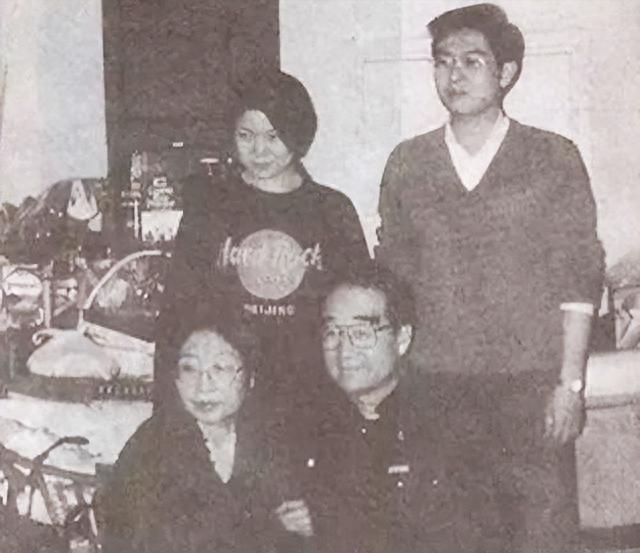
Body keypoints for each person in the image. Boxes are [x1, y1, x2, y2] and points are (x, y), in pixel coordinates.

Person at [376, 4, 605, 551]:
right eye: (443, 61)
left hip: (529, 390)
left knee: (539, 538)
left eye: (471, 61)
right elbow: (392, 285)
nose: (453, 75)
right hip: (435, 391)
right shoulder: (407, 163)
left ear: (506, 72)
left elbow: (579, 279)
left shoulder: (553, 158)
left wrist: (570, 386)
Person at [154, 70, 369, 417]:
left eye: (273, 136)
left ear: (298, 134)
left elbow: (359, 312)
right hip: (226, 395)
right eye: (246, 136)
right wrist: (167, 410)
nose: (259, 150)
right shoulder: (209, 209)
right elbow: (175, 317)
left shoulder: (332, 210)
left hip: (313, 396)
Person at [276, 262, 497, 553]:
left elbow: (464, 531)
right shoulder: (307, 420)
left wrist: (334, 521)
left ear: (401, 339)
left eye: (361, 333)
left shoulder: (449, 419)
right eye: (332, 332)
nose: (344, 350)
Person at [100, 308, 288, 553]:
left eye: (220, 368)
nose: (203, 385)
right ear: (175, 378)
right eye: (189, 368)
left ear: (250, 377)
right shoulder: (151, 447)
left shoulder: (268, 441)